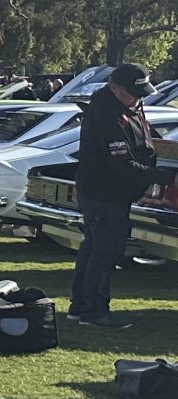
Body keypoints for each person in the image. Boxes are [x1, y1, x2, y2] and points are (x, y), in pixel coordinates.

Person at [68, 63, 155, 327]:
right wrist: (162, 177)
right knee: (105, 252)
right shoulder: (107, 115)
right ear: (114, 87)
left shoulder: (127, 107)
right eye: (132, 93)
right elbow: (120, 163)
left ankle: (80, 306)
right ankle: (94, 311)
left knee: (92, 249)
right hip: (105, 193)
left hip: (106, 192)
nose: (137, 98)